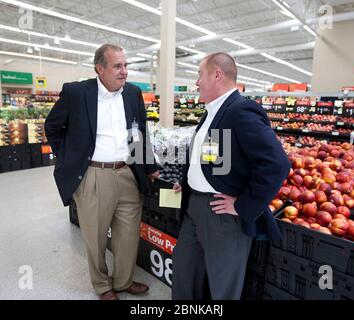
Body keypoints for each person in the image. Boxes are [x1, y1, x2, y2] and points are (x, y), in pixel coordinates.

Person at [45, 44, 159, 300]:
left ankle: (123, 280)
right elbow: (52, 127)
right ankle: (102, 286)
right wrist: (69, 157)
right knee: (95, 237)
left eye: (126, 65)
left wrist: (149, 167)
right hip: (93, 175)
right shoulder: (77, 92)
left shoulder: (133, 93)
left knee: (128, 234)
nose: (124, 71)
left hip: (127, 173)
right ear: (100, 68)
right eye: (118, 66)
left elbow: (141, 134)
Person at [172, 52, 290, 300]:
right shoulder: (212, 112)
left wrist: (243, 205)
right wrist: (189, 181)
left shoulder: (241, 110)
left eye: (199, 75)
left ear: (217, 75)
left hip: (221, 215)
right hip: (194, 208)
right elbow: (210, 157)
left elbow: (276, 163)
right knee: (184, 275)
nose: (196, 82)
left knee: (222, 287)